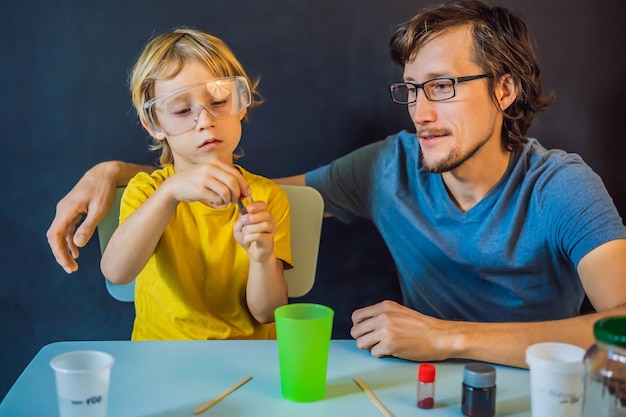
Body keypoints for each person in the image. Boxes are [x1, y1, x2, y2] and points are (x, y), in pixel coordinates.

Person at [46, 0, 626, 367]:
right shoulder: (387, 167)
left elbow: (622, 330)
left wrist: (447, 338)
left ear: (504, 91)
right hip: (422, 387)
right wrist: (120, 174)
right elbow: (233, 190)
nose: (420, 111)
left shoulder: (562, 188)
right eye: (411, 89)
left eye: (443, 86)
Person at [98, 28, 291, 340]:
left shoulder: (267, 198)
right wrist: (170, 194)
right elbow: (117, 272)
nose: (205, 121)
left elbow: (267, 312)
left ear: (241, 103)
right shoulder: (147, 192)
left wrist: (262, 257)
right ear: (154, 125)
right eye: (182, 110)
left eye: (218, 101)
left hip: (249, 358)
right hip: (161, 357)